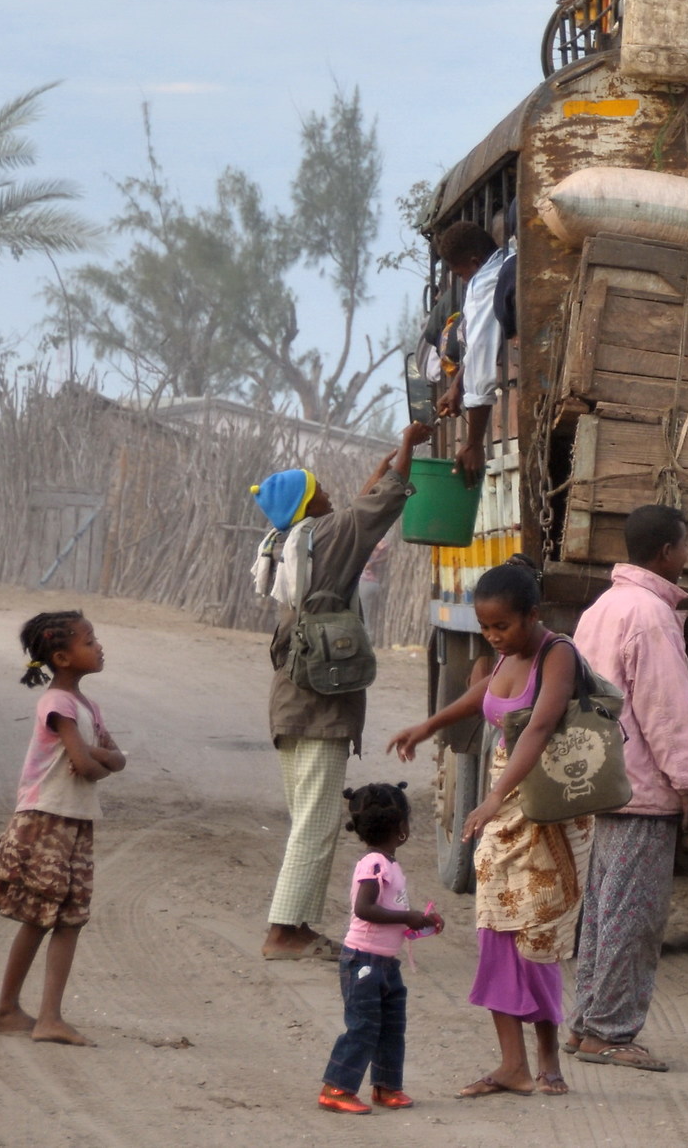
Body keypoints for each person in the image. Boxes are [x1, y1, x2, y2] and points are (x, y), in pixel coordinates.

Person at [388, 558, 593, 1098]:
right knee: (495, 926)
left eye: (502, 625)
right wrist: (429, 724)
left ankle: (548, 1056)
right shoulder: (504, 656)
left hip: (547, 811)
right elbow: (483, 699)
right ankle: (511, 1064)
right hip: (501, 810)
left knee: (536, 933)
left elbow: (541, 726)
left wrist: (493, 797)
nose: (493, 636)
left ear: (533, 614)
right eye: (485, 627)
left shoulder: (558, 654)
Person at [252, 420, 432, 962]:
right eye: (320, 489)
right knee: (317, 822)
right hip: (316, 710)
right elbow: (375, 508)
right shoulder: (328, 538)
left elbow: (360, 503)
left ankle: (295, 926)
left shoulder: (294, 542)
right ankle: (284, 932)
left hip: (292, 702)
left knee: (312, 815)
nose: (331, 493)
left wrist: (389, 462)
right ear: (309, 504)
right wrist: (407, 447)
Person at [562, 504, 688, 1073]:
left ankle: (587, 1024)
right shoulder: (650, 614)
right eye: (685, 545)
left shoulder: (602, 607)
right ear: (667, 552)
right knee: (634, 915)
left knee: (604, 909)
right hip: (643, 789)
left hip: (605, 778)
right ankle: (608, 1031)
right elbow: (667, 709)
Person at [0, 611, 124, 1046]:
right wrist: (98, 762)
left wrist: (99, 761)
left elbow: (115, 758)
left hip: (74, 820)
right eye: (89, 640)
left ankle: (45, 1016)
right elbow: (87, 763)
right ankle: (11, 1010)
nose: (98, 646)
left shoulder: (87, 707)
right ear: (62, 657)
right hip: (46, 819)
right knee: (41, 916)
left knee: (68, 918)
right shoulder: (58, 705)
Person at [317, 783, 443, 1114]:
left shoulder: (388, 863)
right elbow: (365, 908)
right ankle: (336, 1088)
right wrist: (409, 916)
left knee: (390, 1027)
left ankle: (387, 1087)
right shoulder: (374, 864)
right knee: (364, 1026)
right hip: (363, 961)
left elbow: (390, 916)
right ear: (402, 826)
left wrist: (421, 922)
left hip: (385, 964)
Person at [433, 221, 510, 483]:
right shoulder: (506, 259)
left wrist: (474, 443)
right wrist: (457, 385)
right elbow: (476, 346)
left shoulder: (484, 284)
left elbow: (479, 356)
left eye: (460, 273)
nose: (462, 280)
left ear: (475, 262)